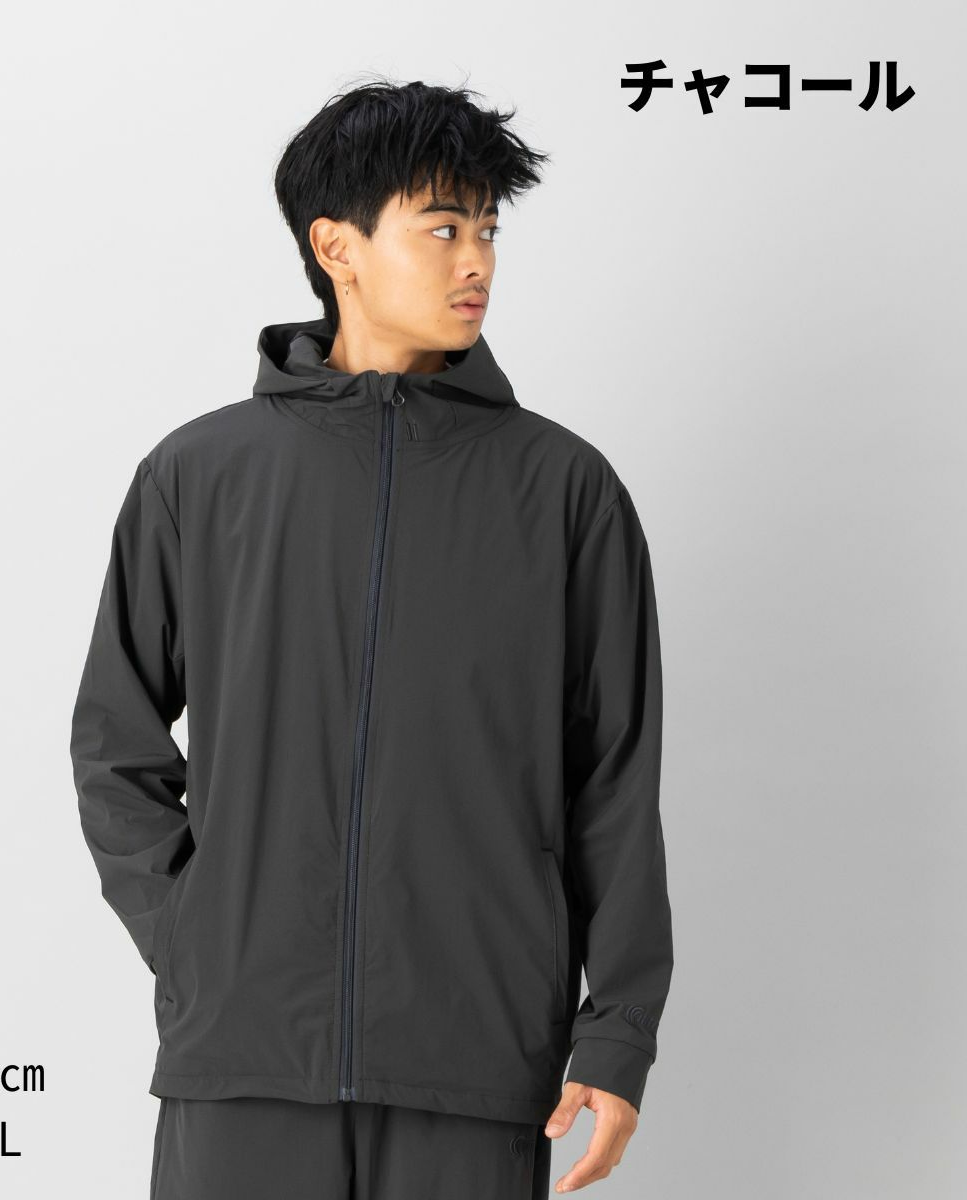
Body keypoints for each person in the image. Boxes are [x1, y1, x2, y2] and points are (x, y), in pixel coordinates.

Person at [70, 76, 673, 1198]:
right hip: (245, 1058)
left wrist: (618, 1032)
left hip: (478, 1057)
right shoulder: (200, 476)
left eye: (488, 231)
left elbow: (616, 780)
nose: (476, 261)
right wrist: (198, 936)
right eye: (443, 228)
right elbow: (115, 740)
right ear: (336, 246)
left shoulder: (564, 490)